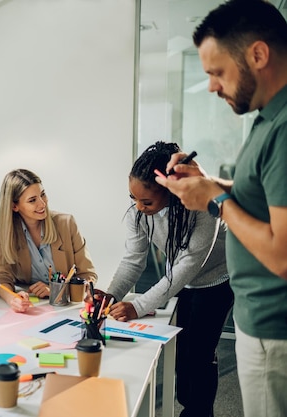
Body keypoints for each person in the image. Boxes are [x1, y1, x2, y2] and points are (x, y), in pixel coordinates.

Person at [154, 2, 287, 416]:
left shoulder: (283, 129)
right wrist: (209, 181)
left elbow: (281, 254)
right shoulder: (268, 119)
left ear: (258, 55)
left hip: (272, 328)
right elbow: (263, 193)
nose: (211, 86)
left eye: (217, 72)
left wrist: (215, 200)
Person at [89, 142, 233, 417]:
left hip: (216, 281)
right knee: (182, 354)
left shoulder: (203, 208)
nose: (138, 208)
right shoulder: (138, 214)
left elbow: (188, 265)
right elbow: (133, 259)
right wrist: (112, 294)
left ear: (169, 191)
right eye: (133, 199)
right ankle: (189, 406)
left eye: (146, 201)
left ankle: (199, 412)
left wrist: (137, 306)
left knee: (200, 354)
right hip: (180, 282)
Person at [0, 169, 97, 313]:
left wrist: (55, 290)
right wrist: (13, 298)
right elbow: (0, 276)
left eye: (43, 195)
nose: (42, 204)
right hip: (34, 308)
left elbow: (88, 276)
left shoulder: (67, 223)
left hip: (66, 308)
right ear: (14, 206)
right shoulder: (2, 228)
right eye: (32, 200)